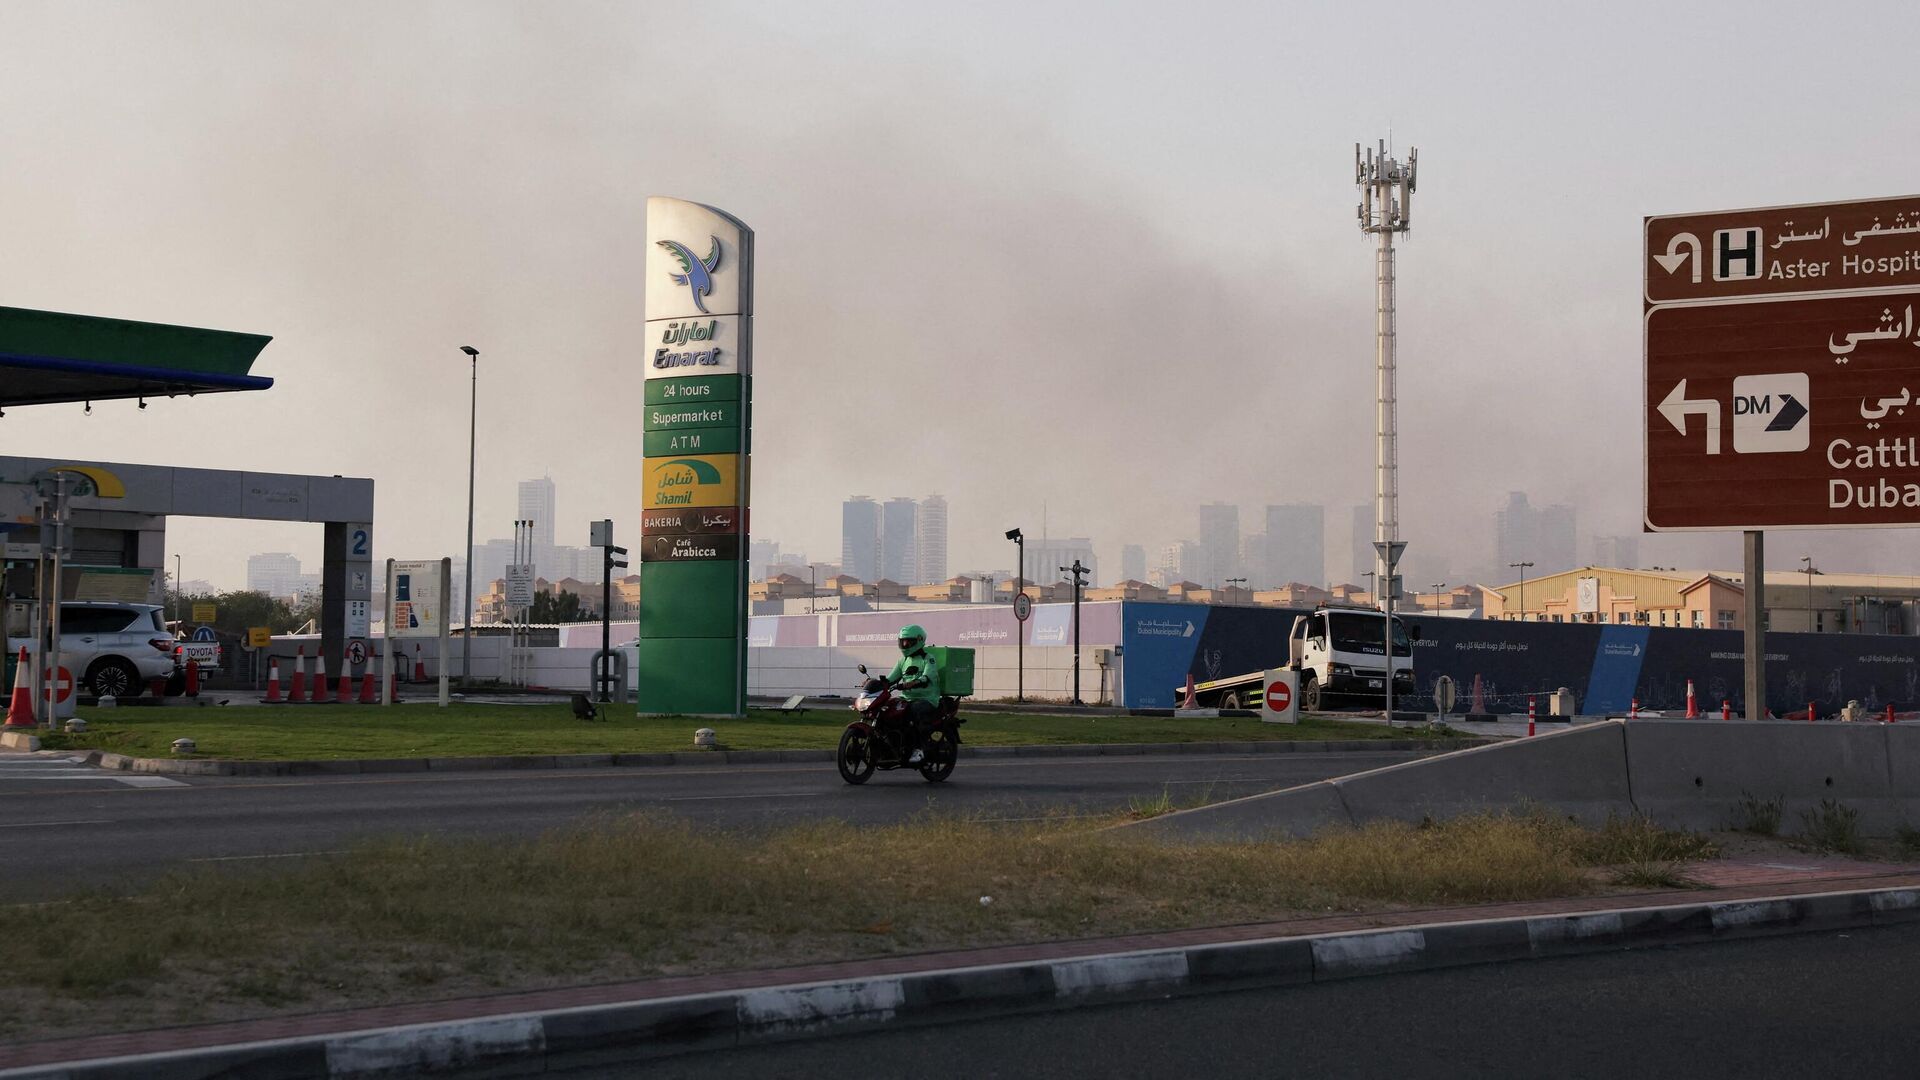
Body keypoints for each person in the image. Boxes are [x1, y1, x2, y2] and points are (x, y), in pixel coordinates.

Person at [885, 623, 941, 764]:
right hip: (906, 698)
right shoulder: (903, 661)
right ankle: (891, 746)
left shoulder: (928, 658)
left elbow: (928, 676)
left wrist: (916, 682)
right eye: (902, 642)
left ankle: (919, 749)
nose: (905, 645)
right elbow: (890, 679)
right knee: (887, 710)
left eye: (908, 642)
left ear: (919, 641)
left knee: (913, 712)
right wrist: (875, 683)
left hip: (927, 699)